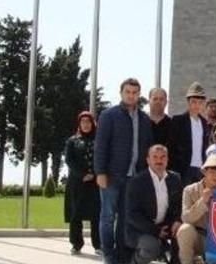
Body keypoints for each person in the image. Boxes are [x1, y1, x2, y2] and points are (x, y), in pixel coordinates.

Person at [95, 78, 153, 264]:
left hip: (133, 178)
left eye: (135, 92)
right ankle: (109, 255)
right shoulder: (108, 115)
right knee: (107, 217)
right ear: (121, 93)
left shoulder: (144, 119)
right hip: (111, 176)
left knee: (125, 219)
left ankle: (121, 256)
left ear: (139, 95)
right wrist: (100, 172)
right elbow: (101, 146)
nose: (131, 95)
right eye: (128, 92)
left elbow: (147, 148)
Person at [124, 145, 183, 264]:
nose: (159, 160)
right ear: (148, 160)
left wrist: (177, 220)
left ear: (167, 159)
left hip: (166, 226)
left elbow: (179, 205)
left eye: (162, 157)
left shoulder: (175, 178)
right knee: (151, 246)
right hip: (140, 229)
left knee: (184, 235)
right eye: (155, 157)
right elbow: (132, 215)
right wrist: (155, 230)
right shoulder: (137, 181)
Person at [176, 154, 216, 264]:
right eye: (212, 172)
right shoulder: (189, 190)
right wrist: (203, 200)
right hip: (197, 237)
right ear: (204, 172)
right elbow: (186, 218)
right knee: (185, 229)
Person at [64, 111, 101, 255]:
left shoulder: (99, 140)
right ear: (79, 124)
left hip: (95, 183)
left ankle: (98, 245)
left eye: (89, 122)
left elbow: (102, 158)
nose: (86, 125)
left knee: (96, 215)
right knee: (76, 215)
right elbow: (69, 160)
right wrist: (82, 175)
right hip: (77, 183)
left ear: (93, 123)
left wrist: (95, 174)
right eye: (83, 122)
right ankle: (76, 244)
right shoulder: (72, 141)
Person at [168, 82, 211, 184]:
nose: (197, 105)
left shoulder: (205, 123)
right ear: (188, 102)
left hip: (200, 168)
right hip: (182, 169)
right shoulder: (178, 120)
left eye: (200, 102)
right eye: (194, 102)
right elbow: (171, 146)